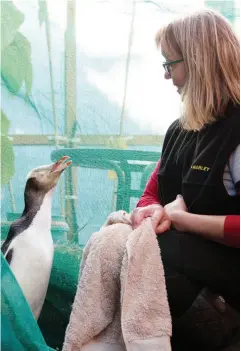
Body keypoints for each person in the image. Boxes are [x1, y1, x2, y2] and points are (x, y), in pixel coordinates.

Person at [130, 8, 240, 351]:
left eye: (170, 64)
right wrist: (151, 213)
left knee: (161, 250)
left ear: (197, 63)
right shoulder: (180, 130)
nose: (167, 76)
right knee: (124, 244)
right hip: (193, 261)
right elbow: (150, 195)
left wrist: (184, 220)